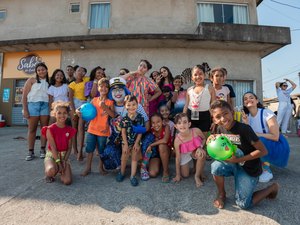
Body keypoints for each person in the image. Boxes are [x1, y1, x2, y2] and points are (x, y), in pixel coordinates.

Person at [209, 100, 279, 209]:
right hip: (233, 163)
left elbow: (263, 151)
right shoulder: (219, 128)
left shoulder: (244, 129)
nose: (223, 119)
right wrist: (211, 139)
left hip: (249, 167)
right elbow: (219, 144)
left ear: (232, 112)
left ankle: (272, 188)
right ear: (214, 119)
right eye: (218, 117)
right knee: (215, 166)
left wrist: (236, 160)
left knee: (243, 204)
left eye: (225, 113)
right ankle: (222, 194)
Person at [242, 92, 290, 183]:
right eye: (245, 99)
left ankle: (266, 169)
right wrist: (246, 125)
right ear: (244, 103)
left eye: (251, 97)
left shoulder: (266, 113)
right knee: (246, 141)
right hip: (262, 145)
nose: (248, 99)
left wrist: (256, 134)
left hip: (276, 145)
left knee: (258, 140)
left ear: (257, 100)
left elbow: (275, 136)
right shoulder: (246, 117)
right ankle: (256, 165)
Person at [103, 77, 149, 171]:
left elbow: (147, 122)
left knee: (144, 145)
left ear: (125, 90)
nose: (118, 93)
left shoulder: (135, 105)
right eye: (114, 90)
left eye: (120, 90)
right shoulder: (109, 106)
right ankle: (121, 166)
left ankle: (141, 165)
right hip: (119, 138)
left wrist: (143, 130)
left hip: (136, 137)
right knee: (108, 153)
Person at [77, 78, 115, 176]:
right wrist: (78, 111)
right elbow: (83, 108)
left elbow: (113, 115)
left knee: (101, 151)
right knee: (90, 150)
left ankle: (100, 168)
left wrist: (105, 107)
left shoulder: (110, 102)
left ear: (109, 89)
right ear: (98, 88)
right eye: (101, 86)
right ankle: (88, 168)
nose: (103, 88)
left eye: (106, 87)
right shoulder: (94, 100)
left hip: (103, 131)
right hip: (91, 129)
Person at [42, 102, 76, 184]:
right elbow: (53, 148)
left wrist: (64, 160)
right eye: (59, 113)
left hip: (64, 156)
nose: (62, 115)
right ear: (54, 114)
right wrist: (58, 162)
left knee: (67, 181)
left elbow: (69, 148)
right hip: (52, 155)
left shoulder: (69, 130)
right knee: (51, 170)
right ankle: (50, 172)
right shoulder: (50, 129)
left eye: (64, 113)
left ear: (67, 114)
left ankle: (61, 169)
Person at [22, 62, 50, 161]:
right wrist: (25, 109)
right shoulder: (31, 80)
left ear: (46, 70)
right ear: (36, 72)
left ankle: (43, 150)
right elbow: (24, 96)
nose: (41, 71)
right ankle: (30, 151)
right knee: (32, 129)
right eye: (38, 70)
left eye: (43, 69)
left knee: (44, 129)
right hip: (33, 105)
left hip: (45, 106)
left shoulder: (49, 81)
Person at [116, 95, 145, 186]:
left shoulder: (140, 118)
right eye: (129, 105)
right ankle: (122, 172)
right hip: (126, 141)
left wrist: (136, 143)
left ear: (137, 105)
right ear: (125, 106)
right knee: (124, 156)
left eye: (134, 104)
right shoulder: (124, 119)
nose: (131, 107)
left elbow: (140, 132)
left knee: (134, 157)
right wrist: (125, 144)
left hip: (136, 141)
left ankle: (133, 176)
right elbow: (123, 132)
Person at [172, 113, 206, 187]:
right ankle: (195, 167)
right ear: (176, 126)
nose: (182, 125)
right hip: (184, 154)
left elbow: (204, 138)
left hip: (195, 150)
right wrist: (178, 174)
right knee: (185, 175)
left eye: (185, 122)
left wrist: (200, 147)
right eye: (179, 123)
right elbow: (177, 158)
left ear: (189, 124)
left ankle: (197, 175)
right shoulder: (177, 140)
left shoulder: (196, 131)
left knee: (202, 153)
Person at [183, 64, 216, 135]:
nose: (198, 76)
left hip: (205, 115)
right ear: (192, 77)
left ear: (205, 75)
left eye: (200, 74)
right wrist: (183, 117)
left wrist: (214, 120)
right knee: (192, 136)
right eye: (195, 74)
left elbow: (214, 106)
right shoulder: (189, 90)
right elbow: (186, 105)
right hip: (191, 115)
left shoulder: (210, 88)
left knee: (203, 137)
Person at [140, 113, 171, 182]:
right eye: (153, 123)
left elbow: (165, 140)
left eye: (158, 122)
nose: (156, 125)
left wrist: (151, 145)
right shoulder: (151, 130)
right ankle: (159, 163)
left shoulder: (166, 127)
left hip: (165, 151)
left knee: (161, 146)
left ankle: (166, 171)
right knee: (152, 173)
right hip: (156, 155)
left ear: (162, 121)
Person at [68, 66, 89, 160]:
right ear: (75, 73)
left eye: (83, 70)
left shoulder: (87, 80)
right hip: (74, 105)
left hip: (84, 105)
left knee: (81, 127)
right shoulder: (72, 84)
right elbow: (70, 98)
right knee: (74, 128)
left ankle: (80, 150)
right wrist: (73, 111)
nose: (81, 72)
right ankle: (75, 150)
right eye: (78, 70)